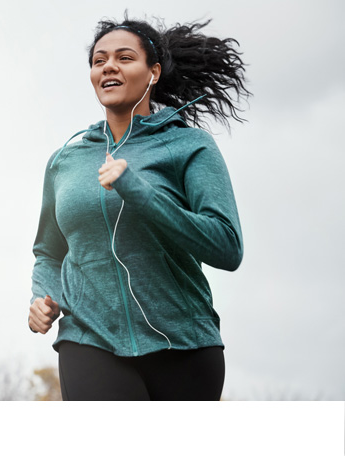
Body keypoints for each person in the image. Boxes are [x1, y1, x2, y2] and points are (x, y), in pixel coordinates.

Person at [28, 16, 250, 400]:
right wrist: (40, 298)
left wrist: (140, 191)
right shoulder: (65, 160)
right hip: (88, 337)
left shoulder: (188, 146)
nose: (108, 66)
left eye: (124, 57)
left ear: (153, 72)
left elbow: (227, 247)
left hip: (184, 344)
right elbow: (49, 251)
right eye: (99, 61)